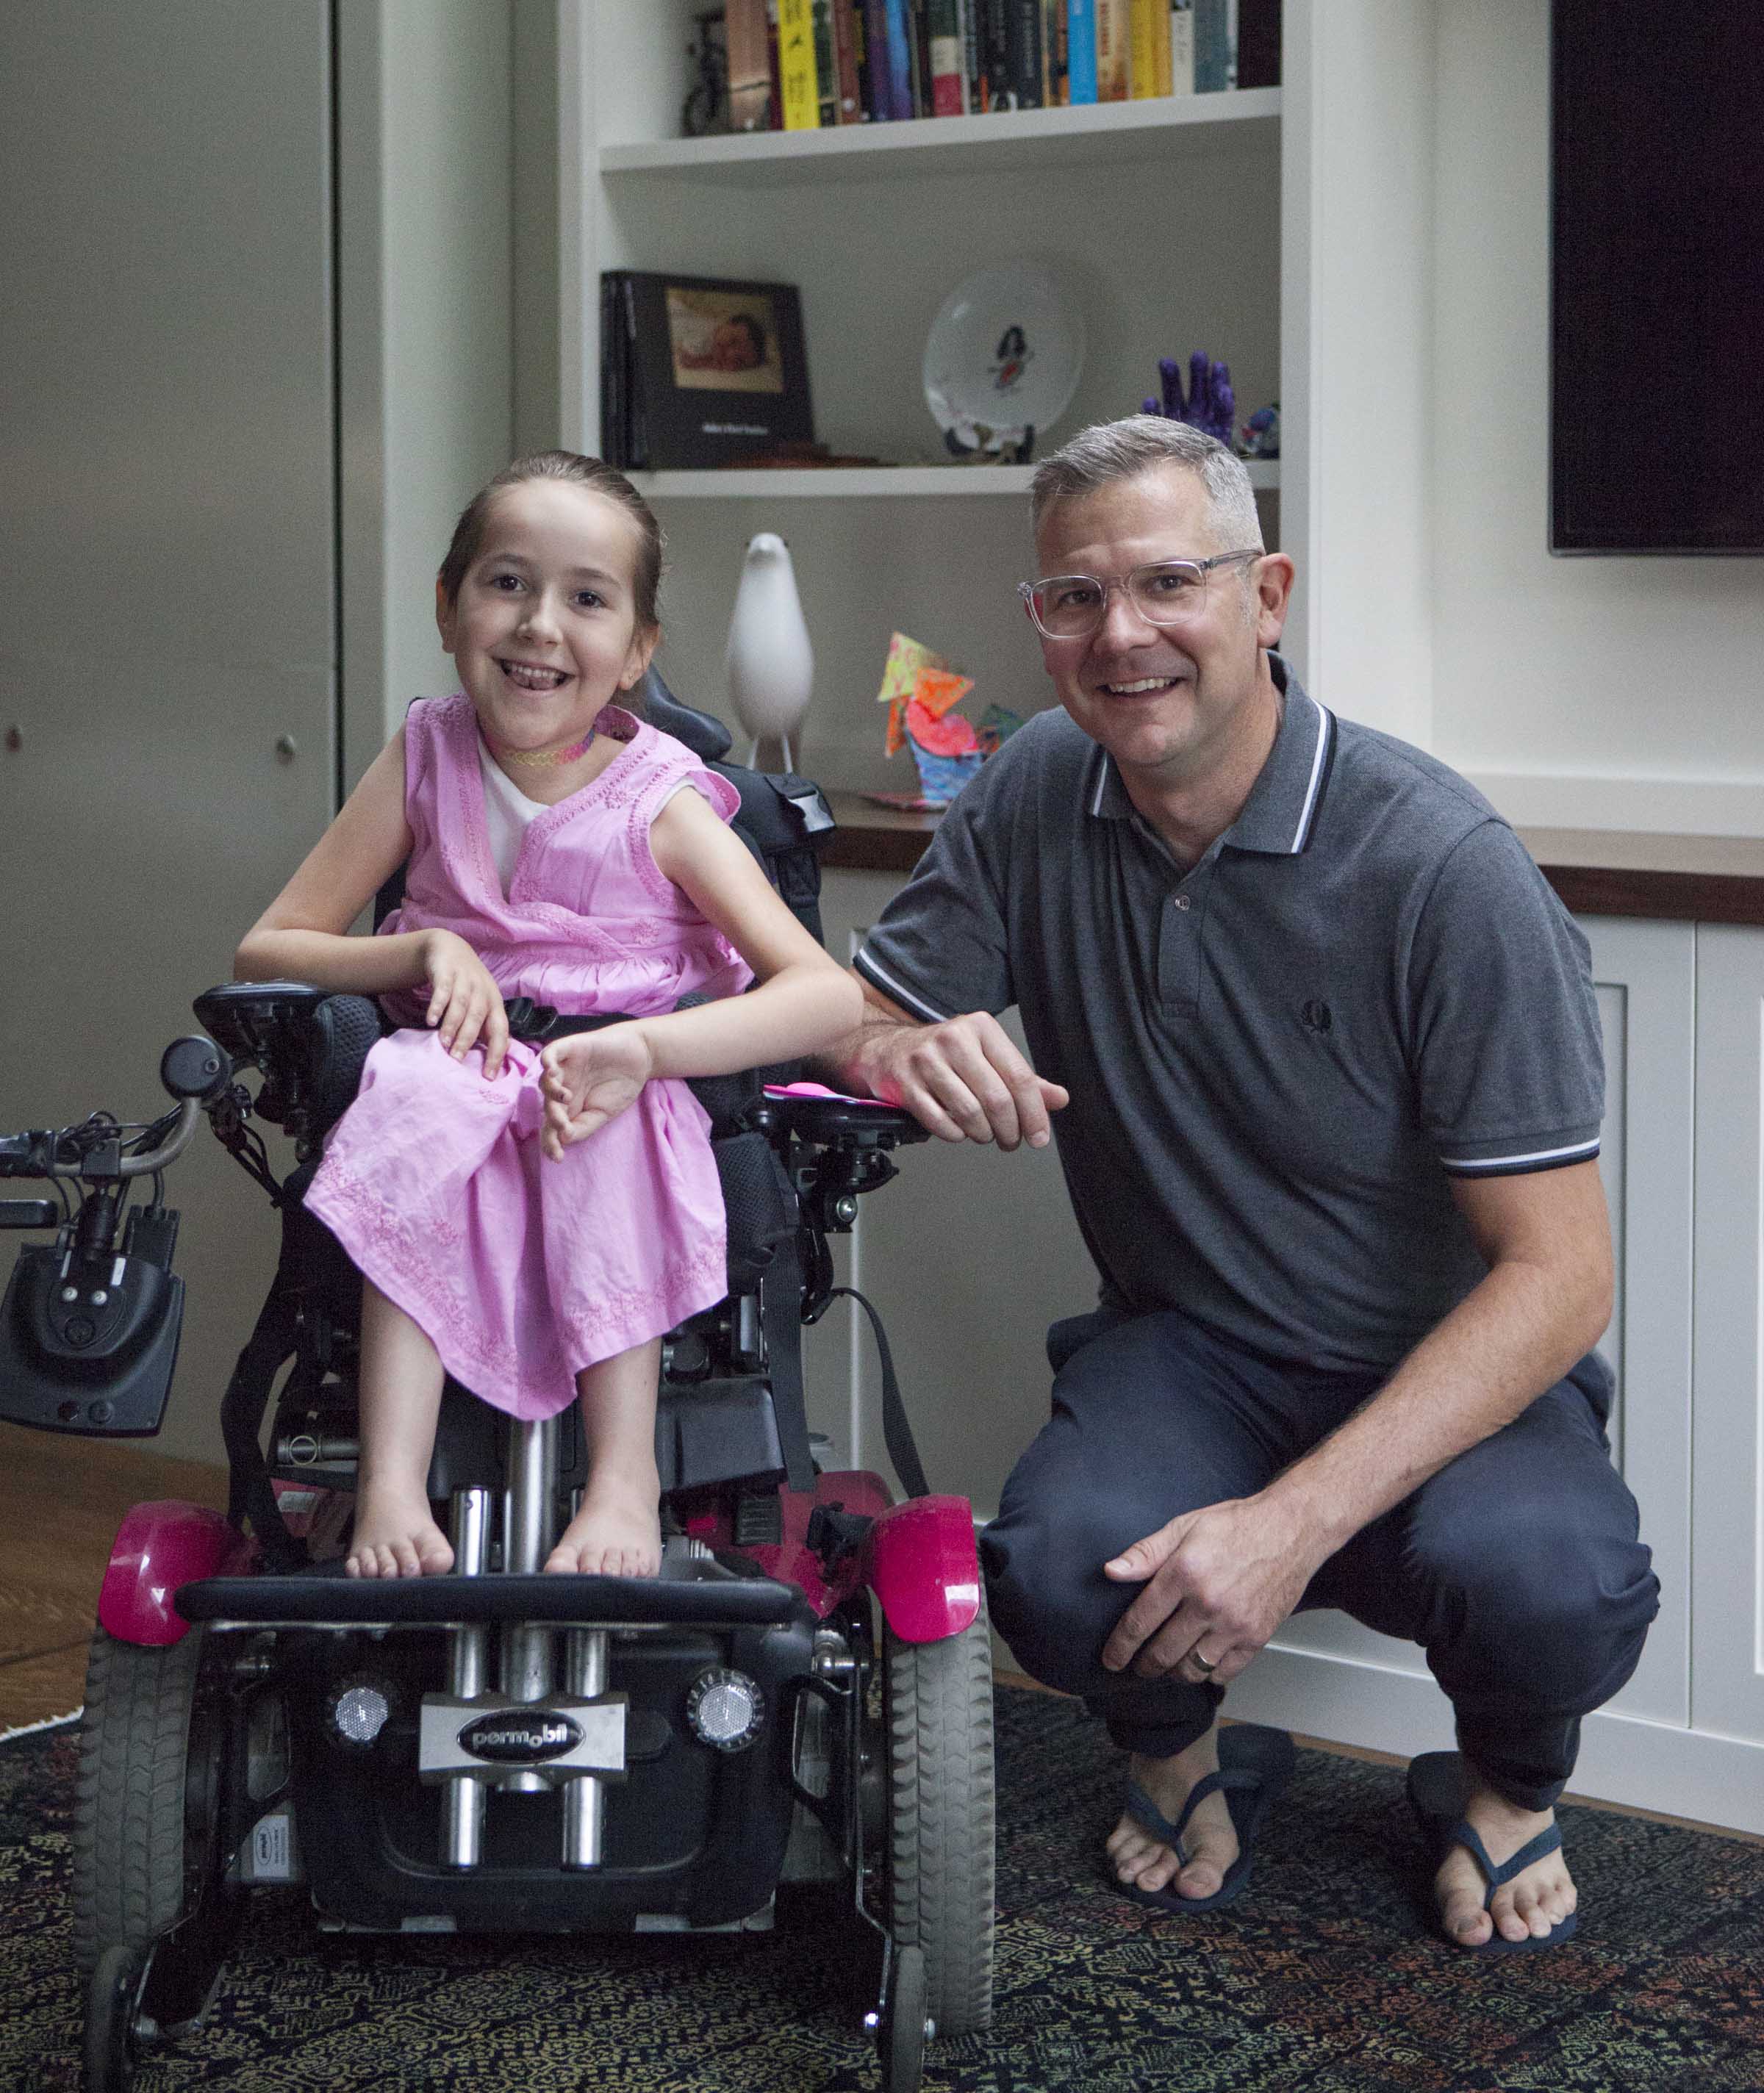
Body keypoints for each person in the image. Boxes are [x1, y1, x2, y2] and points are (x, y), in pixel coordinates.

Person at [829, 416, 1659, 1953]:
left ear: (1267, 594)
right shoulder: (1028, 795)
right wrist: (892, 1053)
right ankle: (1183, 1753)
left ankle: (1500, 1781)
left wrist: (1287, 1524)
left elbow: (1563, 1274)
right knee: (1056, 1566)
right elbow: (852, 1015)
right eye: (1073, 598)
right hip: (1193, 1347)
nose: (1119, 634)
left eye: (1167, 583)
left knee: (1554, 1582)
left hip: (1440, 1357)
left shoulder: (1441, 865)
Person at [237, 451, 861, 1584]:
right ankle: (390, 1481)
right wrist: (424, 946)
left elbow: (824, 993)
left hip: (616, 1071)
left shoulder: (662, 805)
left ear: (634, 651)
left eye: (586, 598)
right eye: (506, 584)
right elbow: (271, 945)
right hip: (459, 1060)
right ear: (447, 605)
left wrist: (646, 1048)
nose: (539, 625)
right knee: (411, 1102)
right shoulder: (424, 759)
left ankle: (627, 1478)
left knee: (601, 1126)